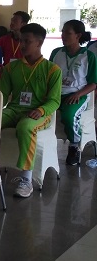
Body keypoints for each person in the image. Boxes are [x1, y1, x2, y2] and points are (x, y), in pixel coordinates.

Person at [0, 23, 62, 198]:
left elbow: (55, 101)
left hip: (38, 113)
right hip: (14, 109)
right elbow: (2, 95)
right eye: (21, 41)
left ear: (39, 43)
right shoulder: (11, 68)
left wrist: (41, 110)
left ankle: (26, 179)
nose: (22, 45)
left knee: (25, 126)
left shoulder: (52, 70)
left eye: (27, 41)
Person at [49, 19, 96, 166]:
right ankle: (43, 146)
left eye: (68, 33)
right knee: (40, 112)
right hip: (56, 94)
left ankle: (74, 146)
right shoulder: (56, 53)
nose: (63, 35)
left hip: (77, 95)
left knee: (69, 117)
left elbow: (93, 83)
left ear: (78, 35)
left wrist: (78, 94)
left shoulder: (88, 56)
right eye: (62, 32)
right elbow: (48, 75)